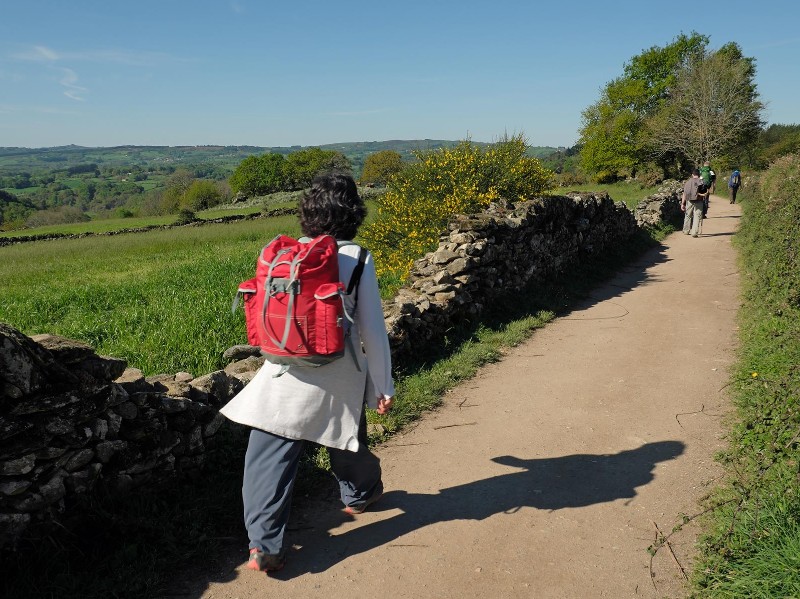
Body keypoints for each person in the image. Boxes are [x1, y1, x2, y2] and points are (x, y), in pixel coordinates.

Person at [220, 173, 395, 573]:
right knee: (347, 439)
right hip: (337, 374)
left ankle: (264, 544)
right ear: (354, 213)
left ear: (307, 213)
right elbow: (372, 330)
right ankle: (361, 493)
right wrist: (382, 386)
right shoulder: (357, 257)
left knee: (267, 458)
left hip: (281, 372)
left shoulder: (285, 253)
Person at [681, 168, 705, 238]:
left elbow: (684, 194)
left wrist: (683, 203)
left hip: (689, 200)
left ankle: (686, 230)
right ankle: (694, 232)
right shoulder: (701, 182)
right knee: (697, 216)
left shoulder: (688, 182)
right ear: (699, 174)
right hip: (699, 201)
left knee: (688, 215)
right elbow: (705, 193)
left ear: (692, 174)